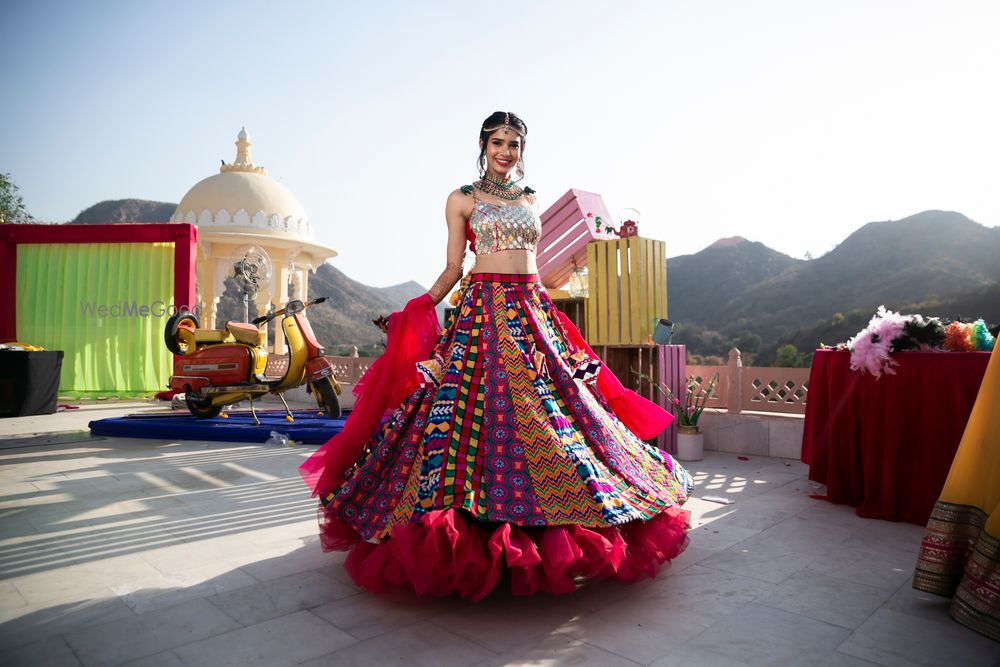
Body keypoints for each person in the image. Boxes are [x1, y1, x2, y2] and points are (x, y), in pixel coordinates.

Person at [300, 111, 693, 600]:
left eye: (515, 144)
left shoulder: (530, 199)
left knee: (560, 416)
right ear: (482, 145)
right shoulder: (462, 199)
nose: (506, 151)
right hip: (483, 311)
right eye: (498, 142)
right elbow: (452, 266)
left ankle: (566, 510)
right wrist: (420, 306)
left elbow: (538, 268)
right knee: (467, 417)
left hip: (531, 309)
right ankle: (471, 520)